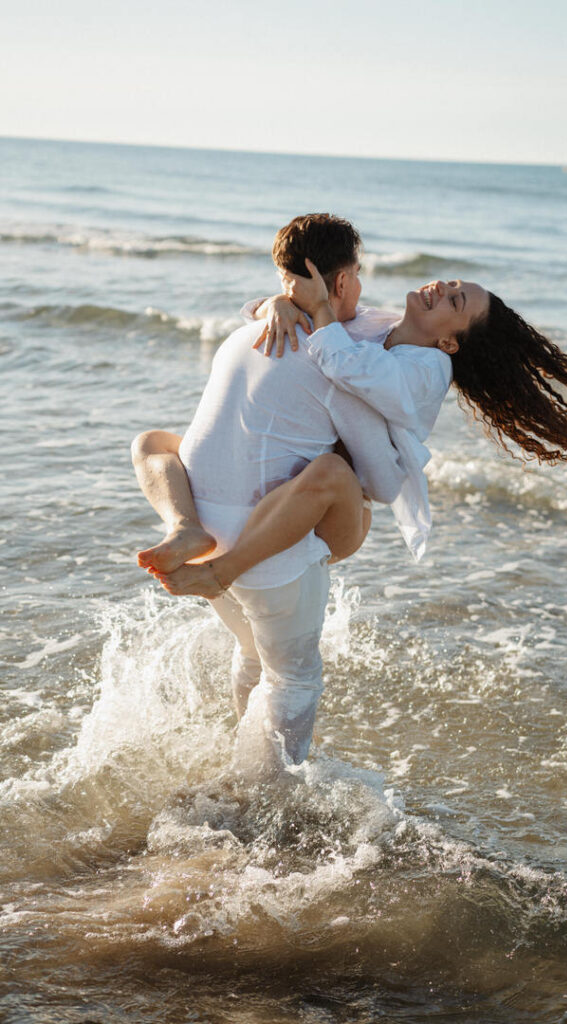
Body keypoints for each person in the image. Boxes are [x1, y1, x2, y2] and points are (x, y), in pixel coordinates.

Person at [134, 214, 567, 603]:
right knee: (152, 444)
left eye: (455, 299)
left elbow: (351, 370)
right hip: (296, 485)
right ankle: (186, 526)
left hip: (349, 501)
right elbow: (303, 311)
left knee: (327, 468)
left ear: (450, 341)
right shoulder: (377, 321)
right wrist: (277, 306)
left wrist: (319, 310)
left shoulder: (428, 369)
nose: (440, 288)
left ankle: (222, 571)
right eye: (450, 282)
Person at [132, 215, 406, 767]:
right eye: (358, 278)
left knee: (153, 442)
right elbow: (380, 481)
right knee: (296, 678)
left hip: (208, 537)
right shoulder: (337, 365)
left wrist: (270, 303)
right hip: (266, 552)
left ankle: (243, 766)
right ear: (344, 281)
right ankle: (268, 803)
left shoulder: (242, 335)